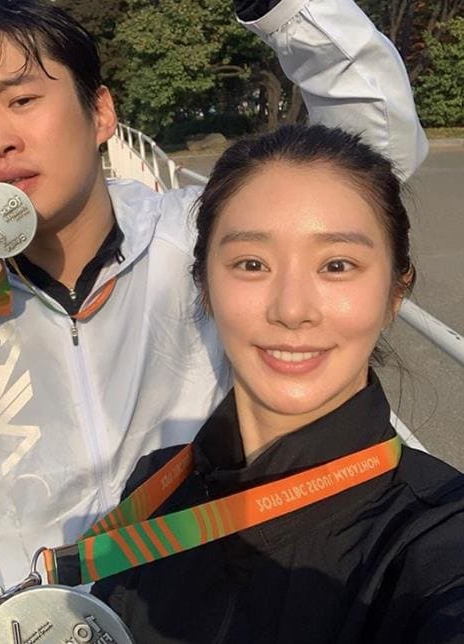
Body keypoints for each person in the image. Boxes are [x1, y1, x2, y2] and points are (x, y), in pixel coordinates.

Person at [0, 0, 427, 597]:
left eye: (23, 99)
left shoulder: (201, 235)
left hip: (218, 613)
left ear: (101, 113)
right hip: (47, 628)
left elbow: (371, 163)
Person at [93, 124, 464, 643]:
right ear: (204, 285)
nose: (291, 309)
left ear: (395, 293)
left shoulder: (436, 538)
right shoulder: (154, 487)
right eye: (251, 264)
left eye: (337, 265)